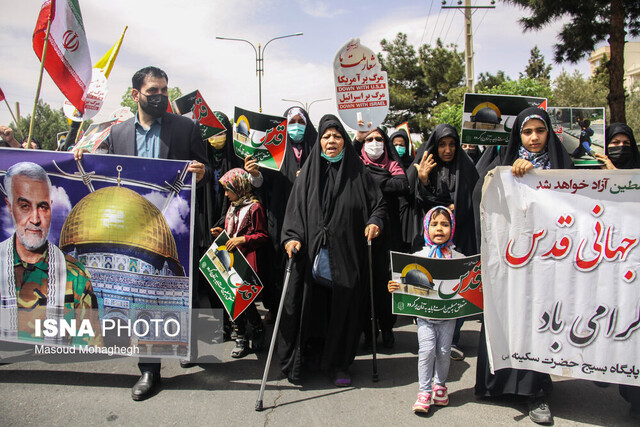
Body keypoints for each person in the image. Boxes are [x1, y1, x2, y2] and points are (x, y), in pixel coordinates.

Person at [74, 66, 211, 401]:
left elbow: (208, 169)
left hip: (173, 229)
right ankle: (150, 371)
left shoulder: (186, 128)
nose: (161, 96)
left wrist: (203, 171)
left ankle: (187, 341)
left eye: (164, 90)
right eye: (153, 91)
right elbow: (101, 171)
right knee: (146, 296)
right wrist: (80, 158)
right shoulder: (117, 133)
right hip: (131, 229)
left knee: (178, 289)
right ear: (136, 95)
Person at [473, 107, 574, 425]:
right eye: (527, 132)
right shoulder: (503, 165)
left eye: (539, 131)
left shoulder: (564, 167)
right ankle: (501, 384)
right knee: (507, 317)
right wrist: (511, 178)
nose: (533, 138)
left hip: (548, 260)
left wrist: (537, 178)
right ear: (518, 135)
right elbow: (481, 196)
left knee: (538, 322)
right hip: (511, 259)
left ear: (548, 134)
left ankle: (536, 394)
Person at [278, 114, 385, 387]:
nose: (331, 141)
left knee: (344, 308)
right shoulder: (308, 175)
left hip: (347, 256)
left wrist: (374, 222)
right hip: (310, 255)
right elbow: (293, 213)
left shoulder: (359, 173)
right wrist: (291, 238)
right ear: (320, 141)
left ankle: (339, 363)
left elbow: (379, 206)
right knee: (311, 307)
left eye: (337, 136)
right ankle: (309, 358)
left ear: (344, 141)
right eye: (326, 136)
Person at [1, 162, 98, 345]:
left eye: (43, 207)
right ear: (9, 206)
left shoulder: (75, 276)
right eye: (24, 206)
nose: (36, 219)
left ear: (51, 208)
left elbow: (87, 351)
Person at [407, 124, 479, 361]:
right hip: (431, 238)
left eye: (451, 144)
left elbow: (475, 198)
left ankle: (452, 339)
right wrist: (424, 179)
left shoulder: (466, 167)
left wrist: (458, 209)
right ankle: (428, 338)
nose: (447, 150)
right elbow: (415, 199)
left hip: (460, 237)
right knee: (428, 285)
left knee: (454, 288)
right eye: (442, 145)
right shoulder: (425, 165)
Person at [388, 206, 461, 414]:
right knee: (426, 352)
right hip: (425, 317)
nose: (439, 229)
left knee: (444, 352)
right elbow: (405, 281)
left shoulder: (458, 257)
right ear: (426, 228)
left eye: (445, 225)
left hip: (448, 318)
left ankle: (440, 387)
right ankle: (424, 392)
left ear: (452, 228)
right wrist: (394, 286)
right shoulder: (418, 257)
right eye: (434, 224)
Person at [594, 123, 640, 420]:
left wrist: (619, 178)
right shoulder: (590, 173)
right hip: (608, 265)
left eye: (626, 142)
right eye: (614, 142)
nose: (620, 147)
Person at [256, 107, 317, 323]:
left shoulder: (315, 147)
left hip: (309, 218)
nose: (297, 126)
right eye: (292, 122)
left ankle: (305, 311)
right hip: (279, 216)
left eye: (301, 121)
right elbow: (262, 184)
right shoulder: (274, 150)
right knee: (276, 264)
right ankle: (276, 308)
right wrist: (255, 174)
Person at [353, 128, 409, 348]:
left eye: (378, 139)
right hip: (362, 232)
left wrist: (373, 180)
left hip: (389, 234)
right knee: (364, 284)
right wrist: (384, 181)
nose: (374, 143)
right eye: (369, 139)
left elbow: (402, 184)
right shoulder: (355, 164)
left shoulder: (393, 165)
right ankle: (368, 330)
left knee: (386, 283)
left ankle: (387, 327)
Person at [210, 168, 268, 358]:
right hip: (230, 260)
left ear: (239, 187)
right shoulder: (233, 206)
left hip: (247, 261)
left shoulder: (254, 208)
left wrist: (242, 240)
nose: (226, 194)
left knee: (246, 300)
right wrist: (222, 235)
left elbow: (262, 236)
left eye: (229, 189)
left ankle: (258, 329)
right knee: (231, 300)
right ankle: (240, 336)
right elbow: (231, 233)